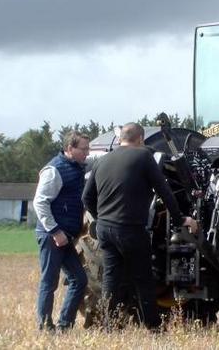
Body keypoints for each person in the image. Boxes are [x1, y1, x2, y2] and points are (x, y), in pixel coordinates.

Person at [82, 123, 198, 330]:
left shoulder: (102, 160)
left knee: (111, 278)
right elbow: (165, 192)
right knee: (143, 279)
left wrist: (101, 218)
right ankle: (153, 327)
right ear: (141, 140)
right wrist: (181, 220)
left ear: (120, 139)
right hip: (130, 230)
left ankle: (109, 326)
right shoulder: (143, 157)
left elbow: (86, 197)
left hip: (105, 230)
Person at [33, 131, 91, 331]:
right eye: (83, 149)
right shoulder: (54, 170)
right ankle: (44, 326)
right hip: (52, 236)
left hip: (66, 237)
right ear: (69, 149)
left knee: (79, 280)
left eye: (88, 148)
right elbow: (40, 203)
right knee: (49, 281)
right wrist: (55, 231)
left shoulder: (76, 168)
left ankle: (65, 325)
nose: (87, 152)